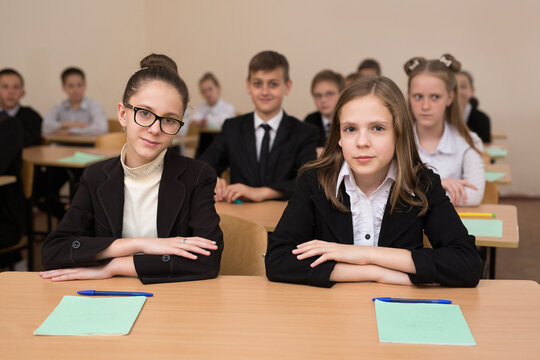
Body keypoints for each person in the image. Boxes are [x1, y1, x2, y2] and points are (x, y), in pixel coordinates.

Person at [265, 76, 482, 288]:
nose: (361, 142)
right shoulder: (314, 181)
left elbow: (468, 264)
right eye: (350, 129)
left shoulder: (422, 184)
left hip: (399, 312)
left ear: (399, 133)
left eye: (377, 128)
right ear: (338, 136)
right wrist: (374, 272)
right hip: (330, 315)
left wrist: (363, 253)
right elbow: (278, 260)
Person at [40, 55, 223, 284]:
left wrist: (115, 266)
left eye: (169, 120)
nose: (155, 129)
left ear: (178, 128)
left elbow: (208, 260)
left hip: (173, 298)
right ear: (122, 114)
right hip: (108, 300)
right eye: (145, 113)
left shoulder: (197, 175)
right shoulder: (96, 176)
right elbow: (54, 251)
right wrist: (139, 244)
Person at [199, 50, 317, 203]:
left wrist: (263, 192)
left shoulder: (304, 132)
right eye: (257, 84)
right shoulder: (232, 128)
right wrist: (213, 179)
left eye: (273, 84)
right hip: (241, 215)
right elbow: (203, 165)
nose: (265, 91)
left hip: (284, 218)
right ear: (248, 86)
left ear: (287, 86)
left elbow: (310, 181)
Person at [404, 54, 485, 206]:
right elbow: (391, 192)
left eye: (435, 97)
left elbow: (474, 195)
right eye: (418, 96)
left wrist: (418, 190)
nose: (425, 106)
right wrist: (437, 183)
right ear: (409, 97)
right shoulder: (397, 141)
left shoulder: (469, 142)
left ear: (450, 97)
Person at [42, 67, 108, 135]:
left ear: (85, 85)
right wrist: (70, 124)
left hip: (87, 145)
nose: (76, 90)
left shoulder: (95, 106)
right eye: (71, 86)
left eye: (79, 85)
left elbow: (102, 129)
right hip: (62, 144)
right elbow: (45, 127)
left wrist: (70, 131)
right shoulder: (59, 107)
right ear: (63, 88)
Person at [304, 70, 345, 154]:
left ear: (341, 94)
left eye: (329, 94)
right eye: (318, 95)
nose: (323, 100)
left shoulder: (349, 119)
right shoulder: (309, 121)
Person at [0, 68, 42, 147]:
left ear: (22, 93)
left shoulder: (32, 117)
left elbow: (32, 140)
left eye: (16, 87)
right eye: (5, 87)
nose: (10, 92)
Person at [457, 71, 491, 143]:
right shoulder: (440, 117)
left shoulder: (482, 119)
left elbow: (485, 148)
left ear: (472, 91)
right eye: (454, 87)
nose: (458, 91)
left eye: (463, 87)